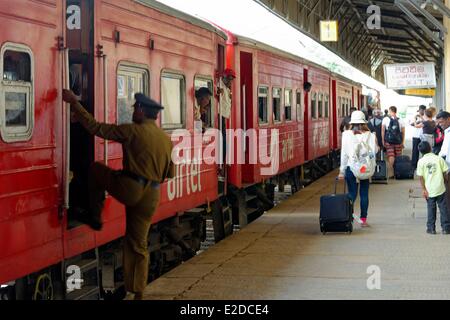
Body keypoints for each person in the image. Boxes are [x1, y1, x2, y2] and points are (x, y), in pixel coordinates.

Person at [62, 90, 174, 300]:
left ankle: (95, 214)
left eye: (135, 108)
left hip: (130, 187)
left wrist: (74, 103)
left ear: (141, 111)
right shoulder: (165, 140)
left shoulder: (132, 130)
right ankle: (139, 293)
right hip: (152, 196)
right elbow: (171, 173)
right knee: (138, 244)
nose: (132, 111)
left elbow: (95, 127)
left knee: (95, 169)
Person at [338, 111, 378, 227]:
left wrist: (342, 171)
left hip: (351, 168)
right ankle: (363, 220)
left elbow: (344, 154)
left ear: (352, 122)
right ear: (364, 122)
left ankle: (347, 216)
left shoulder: (346, 135)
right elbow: (374, 152)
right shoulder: (371, 135)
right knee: (364, 194)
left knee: (352, 193)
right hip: (365, 168)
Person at [416, 141, 450, 235]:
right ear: (430, 148)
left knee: (431, 209)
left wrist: (423, 189)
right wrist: (445, 181)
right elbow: (445, 172)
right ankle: (446, 228)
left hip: (429, 190)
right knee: (443, 208)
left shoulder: (421, 162)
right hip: (440, 188)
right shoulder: (439, 159)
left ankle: (431, 228)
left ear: (420, 152)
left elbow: (421, 177)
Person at [382, 106, 405, 179]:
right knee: (398, 157)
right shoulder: (400, 120)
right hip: (398, 141)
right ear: (396, 111)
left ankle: (391, 174)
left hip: (389, 141)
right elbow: (403, 132)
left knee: (391, 156)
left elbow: (382, 131)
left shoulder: (385, 119)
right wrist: (402, 142)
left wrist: (383, 140)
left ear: (390, 111)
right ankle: (397, 173)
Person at [437, 111, 450, 210]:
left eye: (442, 122)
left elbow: (445, 153)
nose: (440, 125)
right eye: (439, 123)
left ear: (448, 119)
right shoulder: (446, 131)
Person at [411, 105, 426, 170]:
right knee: (415, 151)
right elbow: (412, 123)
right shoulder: (415, 116)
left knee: (424, 151)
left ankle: (424, 165)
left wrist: (421, 118)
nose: (422, 111)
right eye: (421, 110)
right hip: (416, 136)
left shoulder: (426, 116)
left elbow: (426, 122)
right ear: (419, 110)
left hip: (423, 136)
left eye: (423, 110)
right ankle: (414, 165)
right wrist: (415, 120)